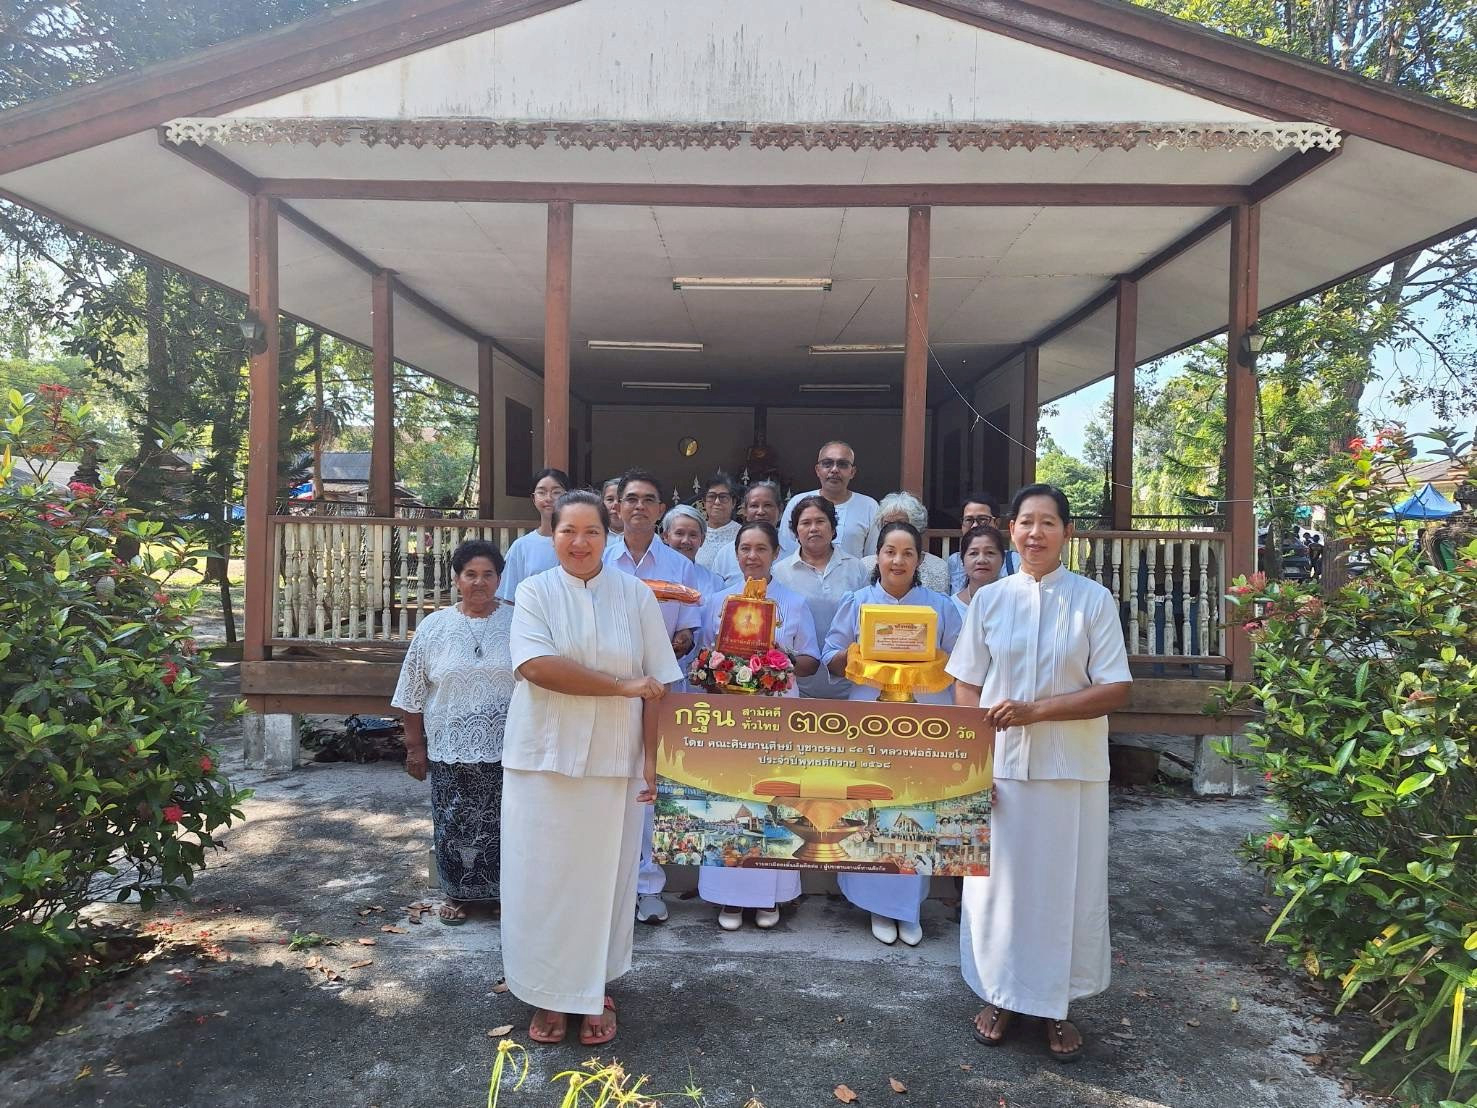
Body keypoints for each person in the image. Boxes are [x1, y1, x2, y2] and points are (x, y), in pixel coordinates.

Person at [945, 483, 1132, 1063]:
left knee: (1062, 890)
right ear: (1010, 530)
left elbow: (1116, 688)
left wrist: (1037, 711)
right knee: (998, 890)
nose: (1034, 532)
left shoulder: (1093, 600)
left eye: (1047, 522)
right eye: (1025, 521)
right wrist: (974, 753)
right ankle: (1000, 997)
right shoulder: (990, 600)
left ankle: (1055, 1007)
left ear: (1066, 532)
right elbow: (967, 680)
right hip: (1000, 769)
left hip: (1068, 769)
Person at [501, 490, 681, 1047]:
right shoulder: (534, 591)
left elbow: (657, 687)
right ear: (550, 535)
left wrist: (652, 762)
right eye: (567, 531)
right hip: (542, 761)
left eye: (591, 532)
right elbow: (537, 666)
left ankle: (594, 989)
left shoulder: (635, 596)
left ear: (609, 536)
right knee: (541, 880)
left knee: (605, 882)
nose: (579, 543)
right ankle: (548, 995)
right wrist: (620, 686)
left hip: (613, 763)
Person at [821, 521, 962, 947]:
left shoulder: (941, 607)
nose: (897, 560)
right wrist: (858, 652)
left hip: (923, 728)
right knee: (869, 808)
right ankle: (875, 905)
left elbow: (963, 664)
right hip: (867, 726)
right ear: (877, 557)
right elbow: (829, 657)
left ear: (919, 560)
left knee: (914, 812)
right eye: (889, 551)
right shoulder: (858, 602)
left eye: (907, 553)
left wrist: (929, 658)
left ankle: (907, 906)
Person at [696, 521, 819, 930]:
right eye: (745, 548)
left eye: (761, 548)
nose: (752, 556)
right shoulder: (716, 602)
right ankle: (727, 898)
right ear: (735, 553)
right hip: (728, 717)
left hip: (778, 716)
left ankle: (773, 896)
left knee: (773, 798)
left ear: (775, 553)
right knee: (730, 801)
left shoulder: (795, 603)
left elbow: (810, 661)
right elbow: (703, 657)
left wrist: (778, 656)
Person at [392, 539, 514, 924]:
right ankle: (458, 896)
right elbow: (411, 692)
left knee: (503, 824)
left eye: (488, 575)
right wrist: (415, 748)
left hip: (508, 748)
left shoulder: (518, 622)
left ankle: (499, 895)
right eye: (470, 575)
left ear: (499, 579)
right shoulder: (434, 627)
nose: (479, 583)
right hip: (449, 748)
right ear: (456, 579)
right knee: (453, 823)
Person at [604, 468, 703, 925]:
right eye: (631, 499)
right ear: (618, 507)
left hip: (663, 690)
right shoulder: (598, 560)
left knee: (651, 785)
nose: (639, 506)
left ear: (660, 511)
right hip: (608, 687)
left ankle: (648, 887)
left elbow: (688, 631)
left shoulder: (679, 567)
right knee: (605, 782)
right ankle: (607, 887)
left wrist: (676, 643)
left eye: (648, 500)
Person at [773, 494, 869, 699]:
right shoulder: (779, 572)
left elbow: (866, 623)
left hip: (848, 682)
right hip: (794, 683)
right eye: (805, 523)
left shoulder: (856, 568)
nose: (813, 528)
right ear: (795, 532)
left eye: (820, 521)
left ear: (833, 529)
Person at [661, 503, 728, 685]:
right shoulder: (653, 576)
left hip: (702, 675)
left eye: (693, 535)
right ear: (666, 536)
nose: (686, 540)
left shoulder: (715, 582)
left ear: (702, 539)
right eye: (679, 533)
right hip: (659, 670)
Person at [778, 441, 879, 558]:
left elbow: (872, 559)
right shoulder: (798, 502)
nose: (834, 470)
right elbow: (785, 552)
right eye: (827, 464)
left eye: (842, 464)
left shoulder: (869, 506)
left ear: (852, 472)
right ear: (817, 470)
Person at [496, 468, 570, 602]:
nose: (549, 498)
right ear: (533, 498)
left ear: (568, 496)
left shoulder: (579, 542)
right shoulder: (521, 546)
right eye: (542, 492)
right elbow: (509, 598)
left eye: (556, 492)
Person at [862, 491, 950, 594]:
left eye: (901, 523)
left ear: (917, 526)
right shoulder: (865, 565)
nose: (895, 529)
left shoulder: (938, 567)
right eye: (888, 524)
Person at [709, 480, 783, 584]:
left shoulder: (795, 552)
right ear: (745, 511)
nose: (760, 511)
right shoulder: (726, 554)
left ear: (780, 510)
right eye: (754, 506)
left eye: (767, 505)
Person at [948, 495, 1019, 592]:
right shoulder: (953, 562)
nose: (975, 526)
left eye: (982, 519)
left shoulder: (1015, 562)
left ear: (997, 523)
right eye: (969, 520)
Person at [951, 524, 1007, 620]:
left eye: (990, 553)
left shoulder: (1016, 601)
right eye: (974, 553)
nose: (981, 560)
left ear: (1002, 559)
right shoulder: (951, 606)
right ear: (962, 561)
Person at [696, 471, 742, 570]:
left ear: (733, 502)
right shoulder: (695, 532)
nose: (717, 502)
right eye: (711, 497)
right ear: (704, 502)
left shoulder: (742, 534)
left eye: (723, 497)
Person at [601, 478, 625, 547]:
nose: (615, 505)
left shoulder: (644, 538)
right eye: (610, 499)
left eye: (620, 500)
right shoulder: (593, 535)